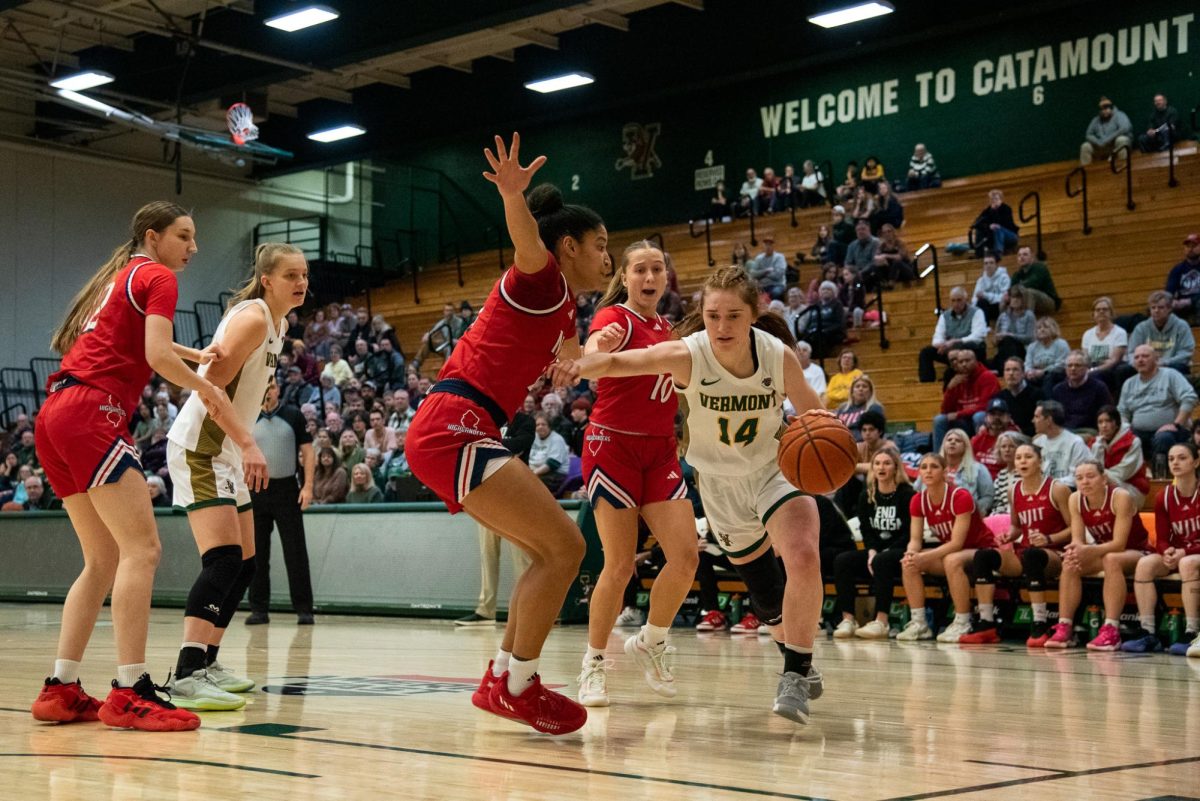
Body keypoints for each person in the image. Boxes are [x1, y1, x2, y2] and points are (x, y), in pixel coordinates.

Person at [552, 264, 832, 725]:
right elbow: (623, 362)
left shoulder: (777, 355)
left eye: (734, 316)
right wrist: (580, 363)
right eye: (714, 316)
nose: (723, 327)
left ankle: (796, 673)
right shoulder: (689, 353)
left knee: (803, 553)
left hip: (773, 469)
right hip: (720, 484)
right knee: (765, 597)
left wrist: (831, 439)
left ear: (754, 313)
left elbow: (813, 414)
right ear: (702, 315)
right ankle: (793, 649)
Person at [405, 135, 608, 734]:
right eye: (601, 247)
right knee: (567, 548)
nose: (608, 259)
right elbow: (527, 243)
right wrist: (514, 197)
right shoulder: (542, 278)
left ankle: (503, 677)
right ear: (567, 247)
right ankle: (518, 684)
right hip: (455, 426)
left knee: (549, 552)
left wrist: (603, 354)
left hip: (456, 426)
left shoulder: (565, 304)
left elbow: (575, 352)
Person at [30, 201, 231, 731]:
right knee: (142, 550)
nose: (193, 247)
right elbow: (157, 357)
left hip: (54, 413)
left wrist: (195, 355)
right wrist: (207, 387)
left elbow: (141, 347)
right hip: (94, 410)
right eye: (185, 236)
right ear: (154, 236)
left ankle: (61, 687)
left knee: (100, 559)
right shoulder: (159, 276)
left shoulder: (120, 275)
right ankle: (130, 689)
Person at [163, 243, 303, 710]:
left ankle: (206, 661)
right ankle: (185, 674)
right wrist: (248, 444)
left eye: (304, 275)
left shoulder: (278, 324)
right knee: (222, 559)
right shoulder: (254, 318)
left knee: (245, 564)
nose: (301, 283)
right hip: (202, 448)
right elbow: (207, 386)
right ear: (267, 279)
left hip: (224, 449)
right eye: (290, 275)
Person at [571, 240, 699, 707]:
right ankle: (593, 663)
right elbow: (597, 348)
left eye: (657, 270)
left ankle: (652, 639)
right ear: (624, 278)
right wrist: (593, 348)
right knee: (620, 565)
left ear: (666, 277)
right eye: (640, 270)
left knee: (686, 558)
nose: (649, 278)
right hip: (612, 447)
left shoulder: (667, 328)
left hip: (662, 451)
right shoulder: (614, 319)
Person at [960, 442, 1071, 645]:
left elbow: (1075, 528)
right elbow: (1017, 527)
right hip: (1026, 550)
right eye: (1019, 458)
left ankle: (1039, 623)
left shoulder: (1058, 489)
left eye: (1028, 457)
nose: (1022, 461)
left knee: (1032, 556)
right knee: (983, 556)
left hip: (1055, 553)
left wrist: (1049, 539)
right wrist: (1008, 536)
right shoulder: (1014, 490)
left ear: (1040, 462)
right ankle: (986, 623)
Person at [1046, 459, 1150, 650]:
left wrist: (1088, 550)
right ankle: (1065, 627)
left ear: (1104, 479)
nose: (1084, 481)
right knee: (1070, 561)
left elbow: (1119, 544)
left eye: (1090, 476)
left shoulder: (1121, 497)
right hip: (1104, 551)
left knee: (1112, 559)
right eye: (1079, 478)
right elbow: (1078, 539)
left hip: (1137, 552)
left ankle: (1111, 629)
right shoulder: (1075, 499)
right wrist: (1075, 549)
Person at [896, 453, 997, 642]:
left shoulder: (960, 496)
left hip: (982, 550)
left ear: (944, 472)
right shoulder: (918, 500)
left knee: (952, 560)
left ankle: (962, 622)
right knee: (909, 563)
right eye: (924, 467)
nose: (928, 471)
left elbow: (957, 543)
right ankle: (919, 623)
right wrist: (911, 552)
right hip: (955, 552)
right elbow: (916, 539)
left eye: (933, 467)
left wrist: (925, 557)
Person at [247, 378, 315, 626]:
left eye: (272, 385)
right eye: (264, 385)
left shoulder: (293, 415)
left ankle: (304, 608)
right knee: (257, 553)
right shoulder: (248, 416)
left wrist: (307, 487)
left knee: (296, 552)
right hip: (256, 490)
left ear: (278, 389)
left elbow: (308, 452)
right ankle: (258, 609)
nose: (268, 390)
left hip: (287, 490)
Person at [1123, 442, 1200, 653]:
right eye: (1171, 458)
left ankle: (1193, 630)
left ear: (1196, 461)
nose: (1175, 462)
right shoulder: (1163, 497)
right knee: (1145, 564)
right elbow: (1163, 537)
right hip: (1179, 554)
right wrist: (1166, 551)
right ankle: (1148, 632)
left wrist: (1185, 552)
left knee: (1188, 563)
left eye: (1182, 458)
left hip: (1192, 556)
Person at [833, 447, 913, 639]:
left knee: (882, 561)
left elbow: (909, 532)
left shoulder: (907, 494)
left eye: (886, 463)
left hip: (901, 550)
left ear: (895, 468)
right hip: (876, 552)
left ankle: (881, 620)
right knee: (842, 560)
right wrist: (871, 551)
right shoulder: (867, 495)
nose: (881, 467)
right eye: (877, 463)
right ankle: (848, 619)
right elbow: (867, 530)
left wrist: (883, 552)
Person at [1117, 345, 1197, 475]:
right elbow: (1122, 411)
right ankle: (1136, 480)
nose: (1140, 360)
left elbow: (1190, 398)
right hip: (1139, 431)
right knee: (1125, 440)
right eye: (1137, 357)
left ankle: (1161, 480)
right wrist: (1125, 428)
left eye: (1145, 356)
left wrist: (1175, 424)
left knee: (1163, 438)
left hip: (1172, 430)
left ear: (1156, 359)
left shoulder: (1171, 375)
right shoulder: (1129, 383)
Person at [932, 349, 1000, 450]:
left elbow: (984, 406)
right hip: (963, 420)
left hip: (979, 417)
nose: (964, 364)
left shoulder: (988, 377)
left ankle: (982, 452)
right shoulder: (956, 380)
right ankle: (939, 458)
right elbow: (945, 411)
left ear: (976, 361)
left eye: (967, 361)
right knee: (939, 419)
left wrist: (959, 414)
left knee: (979, 416)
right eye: (961, 362)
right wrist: (950, 389)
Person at [917, 286, 986, 383]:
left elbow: (978, 336)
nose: (956, 304)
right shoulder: (945, 316)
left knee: (972, 345)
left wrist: (955, 342)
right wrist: (944, 346)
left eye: (959, 300)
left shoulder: (976, 312)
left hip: (970, 350)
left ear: (966, 299)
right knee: (926, 352)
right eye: (953, 301)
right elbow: (937, 337)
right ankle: (926, 383)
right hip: (951, 351)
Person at [1090, 405, 1149, 509]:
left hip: (1132, 488)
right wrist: (1098, 449)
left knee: (1095, 481)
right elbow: (1090, 471)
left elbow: (1123, 473)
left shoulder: (1133, 441)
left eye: (1108, 421)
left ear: (1116, 423)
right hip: (1104, 486)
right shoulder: (1094, 443)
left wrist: (1098, 475)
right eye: (1100, 422)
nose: (1104, 425)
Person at [1127, 290, 1195, 375]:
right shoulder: (1141, 328)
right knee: (1123, 370)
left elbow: (1186, 353)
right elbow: (1131, 352)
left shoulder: (1181, 326)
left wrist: (1165, 362)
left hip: (1171, 365)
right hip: (1145, 365)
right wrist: (1138, 363)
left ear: (1169, 309)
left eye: (1160, 307)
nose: (1156, 310)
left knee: (1179, 367)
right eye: (1153, 307)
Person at [1031, 400, 1090, 488]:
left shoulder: (1075, 443)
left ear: (1049, 420)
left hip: (1067, 492)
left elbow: (1077, 477)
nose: (1033, 420)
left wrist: (1048, 484)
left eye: (1036, 417)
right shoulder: (1037, 443)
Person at [1051, 350, 1112, 433]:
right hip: (1064, 431)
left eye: (1077, 365)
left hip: (1087, 431)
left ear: (1086, 368)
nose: (1073, 369)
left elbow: (1107, 414)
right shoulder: (1058, 390)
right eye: (1069, 365)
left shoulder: (1099, 388)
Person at [1080, 295, 1128, 395]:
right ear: (1093, 314)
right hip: (1093, 366)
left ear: (1111, 313)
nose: (1101, 312)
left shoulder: (1119, 332)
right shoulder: (1087, 334)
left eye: (1105, 309)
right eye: (1098, 310)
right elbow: (1085, 358)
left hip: (1112, 369)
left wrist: (1094, 370)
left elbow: (1114, 360)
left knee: (1094, 376)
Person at [971, 398, 1019, 479]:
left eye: (1001, 414)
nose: (996, 418)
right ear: (986, 418)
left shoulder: (1015, 439)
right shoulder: (977, 439)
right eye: (992, 414)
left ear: (1009, 418)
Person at [990, 285, 1036, 369]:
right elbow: (994, 339)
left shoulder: (1029, 315)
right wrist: (996, 339)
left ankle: (1005, 368)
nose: (1015, 300)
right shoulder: (1003, 316)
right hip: (1003, 349)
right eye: (1013, 297)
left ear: (1023, 300)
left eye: (1018, 298)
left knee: (1008, 340)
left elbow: (1030, 338)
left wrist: (1011, 335)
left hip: (1021, 349)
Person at [1006, 246, 1061, 316]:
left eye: (1025, 254)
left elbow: (1033, 283)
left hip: (1048, 300)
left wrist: (1017, 289)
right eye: (1019, 255)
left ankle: (1028, 322)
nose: (1021, 257)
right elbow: (1011, 291)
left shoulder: (1040, 267)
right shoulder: (1017, 274)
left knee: (1029, 292)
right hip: (1027, 299)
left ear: (1032, 258)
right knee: (1005, 299)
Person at [798, 281, 847, 360]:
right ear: (820, 292)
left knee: (818, 338)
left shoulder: (837, 305)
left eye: (828, 289)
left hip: (830, 333)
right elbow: (809, 323)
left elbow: (839, 324)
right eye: (823, 289)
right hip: (813, 333)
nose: (825, 291)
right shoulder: (815, 306)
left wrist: (824, 330)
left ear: (834, 292)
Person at [1080, 95, 1133, 165]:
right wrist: (1098, 142)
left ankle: (1123, 166)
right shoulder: (1096, 120)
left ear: (1112, 108)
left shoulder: (1120, 115)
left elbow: (1125, 128)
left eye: (1107, 108)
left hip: (1116, 146)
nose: (1104, 111)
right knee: (1085, 146)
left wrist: (1107, 140)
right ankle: (1086, 172)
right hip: (1102, 146)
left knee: (1121, 139)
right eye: (1102, 109)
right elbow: (1088, 134)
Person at [1023, 317, 1069, 396]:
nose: (1042, 330)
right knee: (1024, 380)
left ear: (1053, 329)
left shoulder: (1061, 344)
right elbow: (1028, 363)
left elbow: (1061, 364)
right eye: (1039, 328)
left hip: (1056, 374)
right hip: (1036, 375)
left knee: (1049, 377)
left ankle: (1047, 405)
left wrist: (1044, 371)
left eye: (1046, 327)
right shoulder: (1032, 346)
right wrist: (1029, 372)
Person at [988, 431, 1028, 516]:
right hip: (1004, 517)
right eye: (1003, 446)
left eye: (1011, 446)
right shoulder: (1001, 475)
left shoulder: (1027, 471)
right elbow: (997, 503)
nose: (1007, 450)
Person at [835, 374, 884, 442]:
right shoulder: (842, 408)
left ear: (870, 392)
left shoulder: (875, 408)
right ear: (852, 392)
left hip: (863, 445)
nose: (861, 389)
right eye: (857, 386)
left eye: (864, 386)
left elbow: (874, 433)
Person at [996, 357, 1038, 436]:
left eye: (1015, 369)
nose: (1011, 373)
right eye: (1007, 370)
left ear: (1023, 373)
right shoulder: (999, 397)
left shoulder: (1037, 395)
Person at [970, 189, 1018, 257]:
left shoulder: (1006, 209)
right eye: (992, 199)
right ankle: (979, 254)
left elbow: (1005, 223)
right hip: (994, 237)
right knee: (979, 230)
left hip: (1010, 236)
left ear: (1001, 199)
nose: (994, 201)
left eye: (996, 198)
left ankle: (998, 252)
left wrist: (995, 212)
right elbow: (977, 222)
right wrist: (989, 226)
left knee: (997, 228)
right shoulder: (987, 211)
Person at [1166, 233, 1200, 323]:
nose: (1190, 249)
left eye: (1194, 246)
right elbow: (1169, 292)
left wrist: (1190, 301)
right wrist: (1172, 302)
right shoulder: (1177, 270)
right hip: (1182, 305)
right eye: (1188, 246)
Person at [971, 252, 1009, 323]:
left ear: (996, 264)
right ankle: (984, 328)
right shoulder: (981, 280)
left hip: (1000, 307)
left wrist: (986, 295)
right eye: (986, 263)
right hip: (986, 309)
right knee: (980, 302)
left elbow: (1004, 297)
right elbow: (974, 298)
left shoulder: (1004, 278)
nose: (988, 265)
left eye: (991, 263)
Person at [749, 235, 787, 301]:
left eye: (770, 245)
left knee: (776, 292)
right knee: (750, 293)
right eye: (766, 245)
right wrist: (766, 271)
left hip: (777, 285)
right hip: (762, 286)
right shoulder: (759, 258)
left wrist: (761, 274)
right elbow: (752, 274)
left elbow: (778, 275)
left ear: (773, 246)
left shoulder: (779, 257)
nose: (768, 247)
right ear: (763, 246)